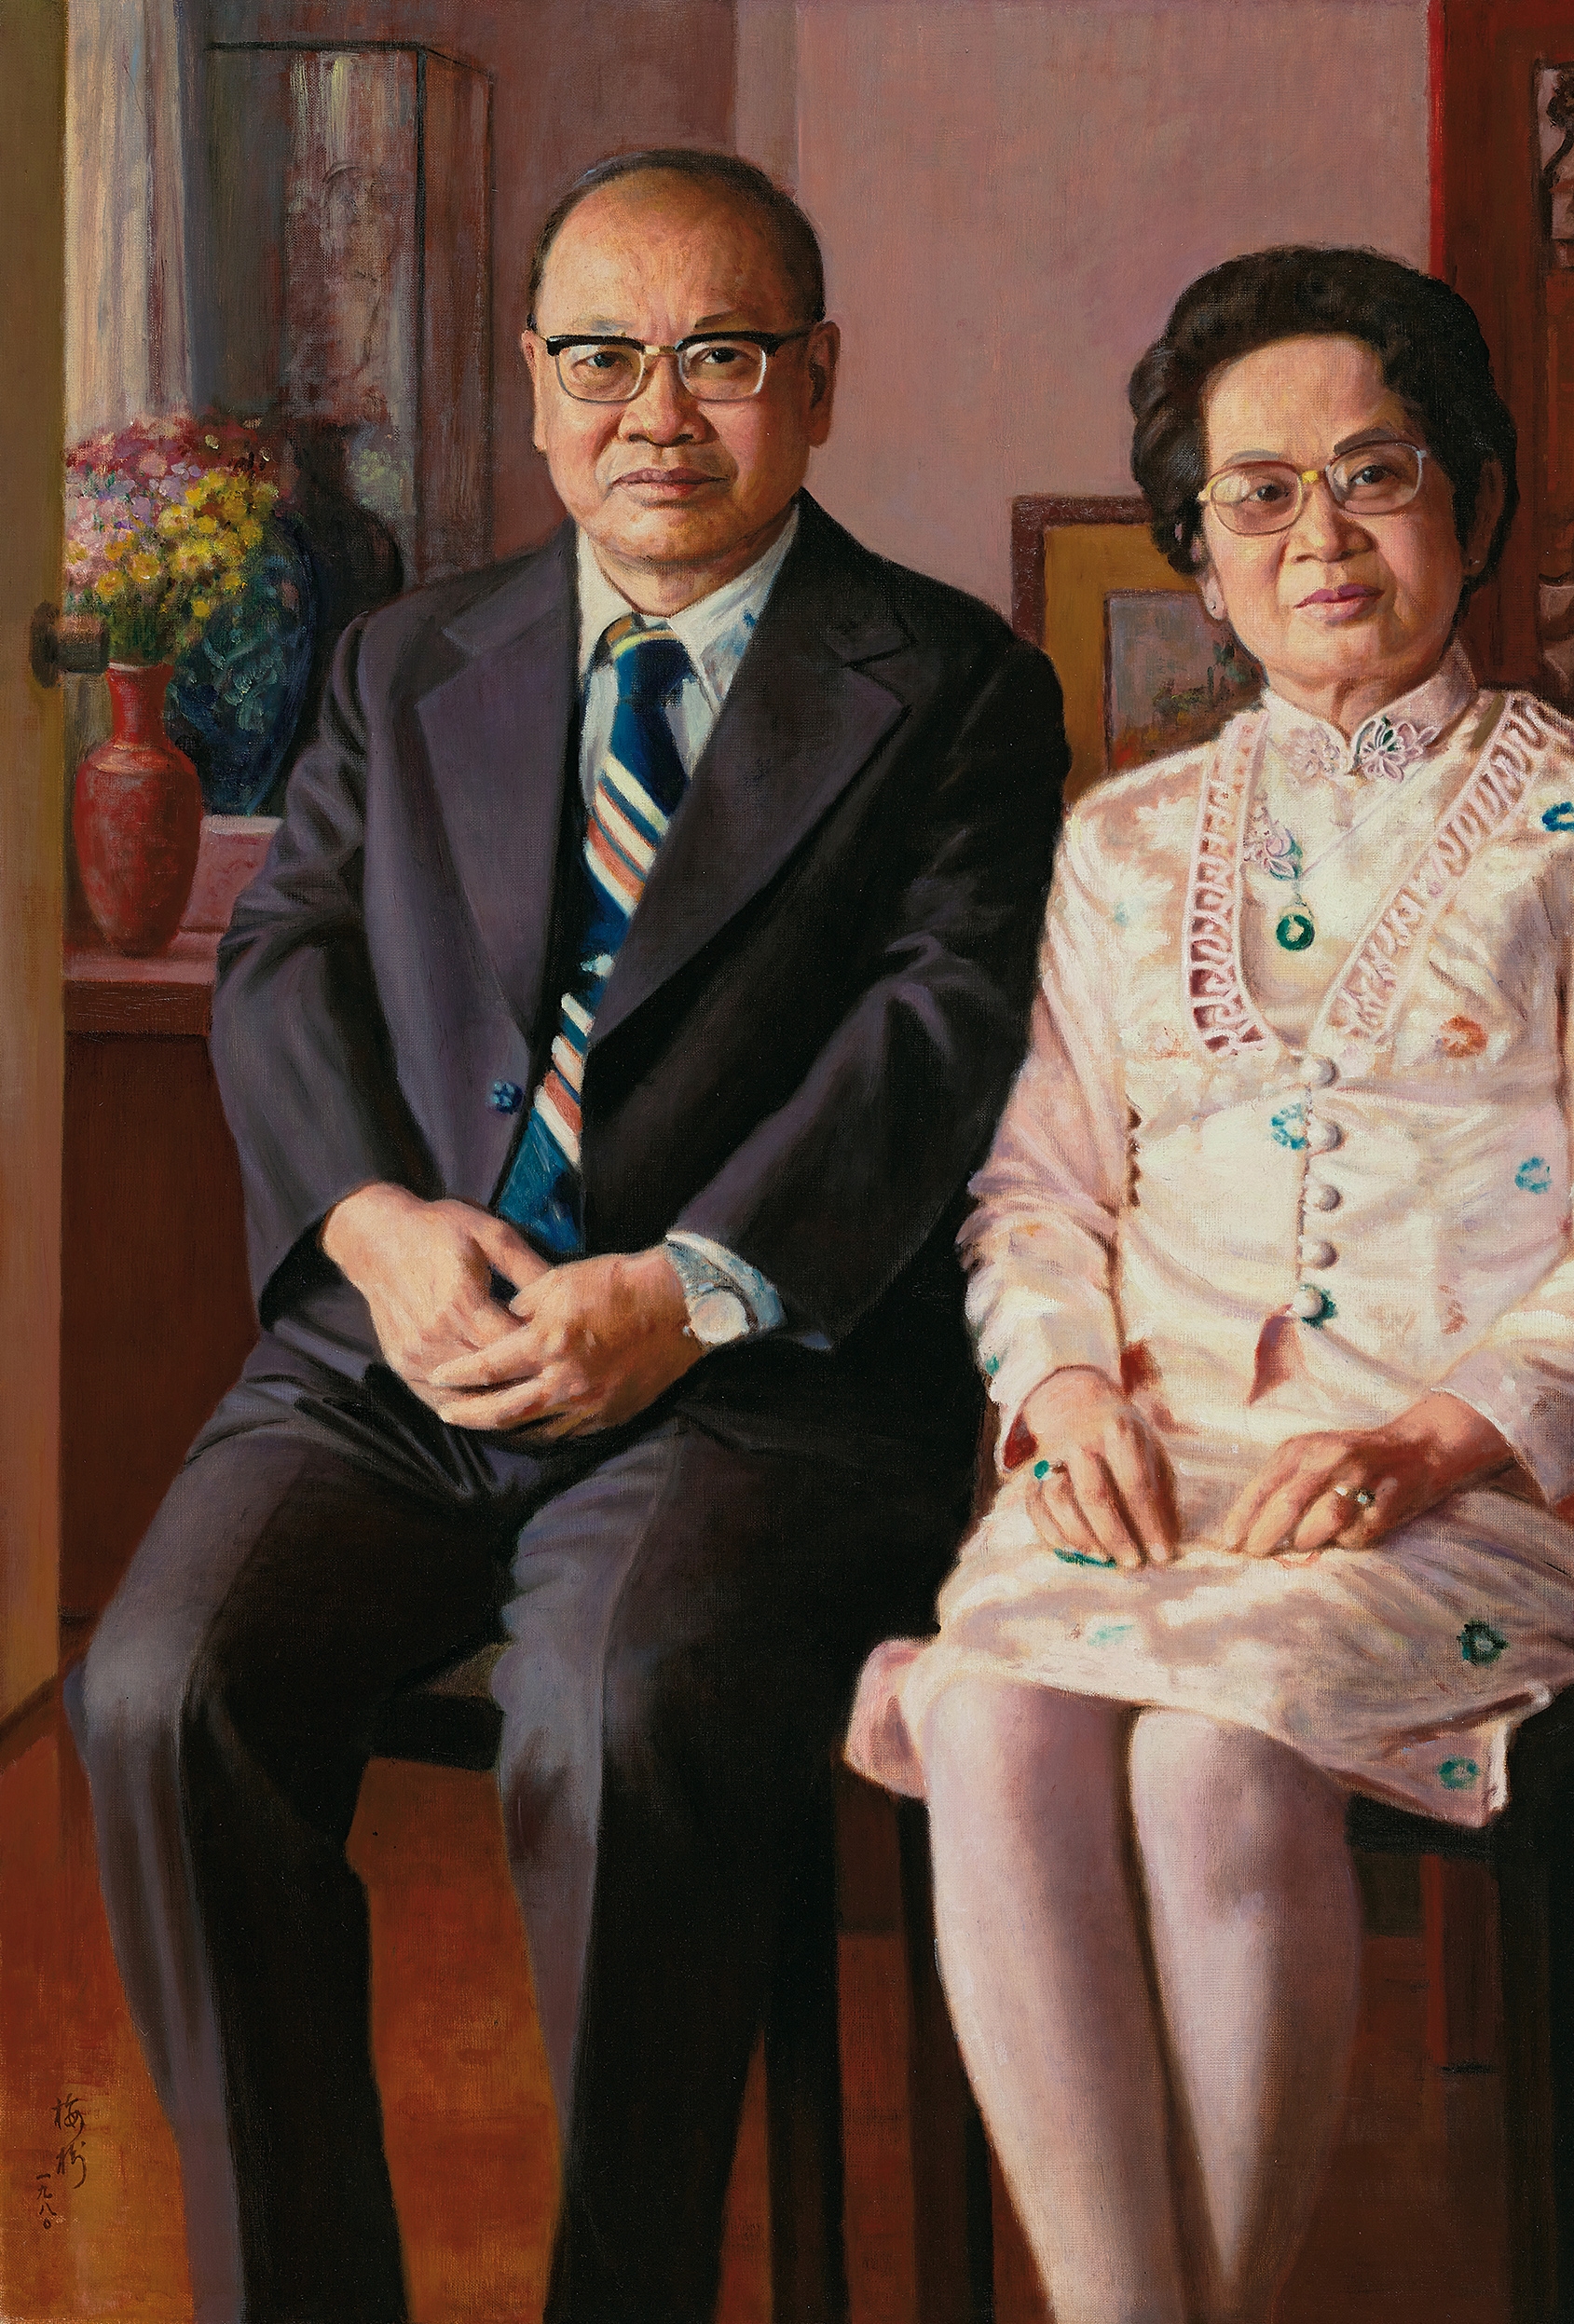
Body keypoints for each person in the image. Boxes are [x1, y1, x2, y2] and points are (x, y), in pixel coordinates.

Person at [68, 149, 1067, 2324]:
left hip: (752, 1378)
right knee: (156, 1691)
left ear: (819, 379)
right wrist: (372, 1223)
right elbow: (288, 953)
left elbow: (933, 1036)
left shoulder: (957, 687)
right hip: (407, 1342)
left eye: (722, 357)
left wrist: (684, 1292)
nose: (657, 414)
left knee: (605, 1719)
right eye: (604, 358)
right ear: (534, 387)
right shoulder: (405, 655)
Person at [845, 246, 1574, 2324]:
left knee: (1207, 1750)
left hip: (1498, 1487)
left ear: (1473, 501)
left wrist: (1436, 1436)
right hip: (1158, 1466)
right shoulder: (1121, 841)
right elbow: (1033, 1193)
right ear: (1198, 550)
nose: (1319, 537)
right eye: (1256, 495)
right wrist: (1061, 1391)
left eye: (1374, 473)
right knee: (988, 1710)